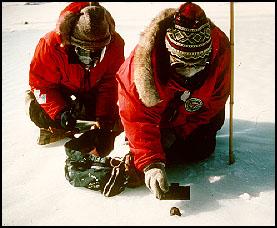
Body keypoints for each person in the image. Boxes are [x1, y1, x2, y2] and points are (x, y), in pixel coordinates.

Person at [116, 2, 231, 199]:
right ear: (169, 54)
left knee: (200, 150)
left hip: (191, 118)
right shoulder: (141, 69)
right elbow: (136, 117)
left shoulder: (220, 55)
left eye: (197, 64)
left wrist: (178, 133)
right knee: (146, 157)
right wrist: (151, 164)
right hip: (155, 118)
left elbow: (215, 102)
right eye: (181, 64)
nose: (189, 72)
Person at [25, 2, 125, 146]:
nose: (91, 60)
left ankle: (76, 122)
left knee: (109, 121)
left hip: (92, 91)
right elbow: (41, 84)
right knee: (38, 113)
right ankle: (57, 122)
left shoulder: (115, 45)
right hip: (61, 91)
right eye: (84, 52)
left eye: (98, 53)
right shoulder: (50, 45)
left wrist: (103, 118)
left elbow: (110, 84)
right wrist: (60, 113)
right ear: (71, 44)